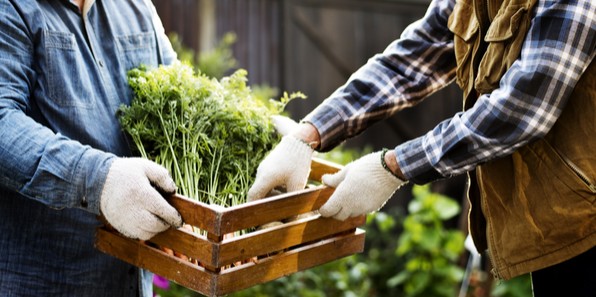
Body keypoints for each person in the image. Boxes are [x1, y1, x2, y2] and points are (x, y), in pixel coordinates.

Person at [248, 0, 595, 295]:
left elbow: (524, 107)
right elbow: (411, 61)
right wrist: (310, 133)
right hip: (557, 223)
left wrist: (393, 167)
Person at [0, 0, 183, 296]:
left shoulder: (136, 7)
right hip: (41, 282)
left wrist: (273, 136)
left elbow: (183, 96)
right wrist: (100, 179)